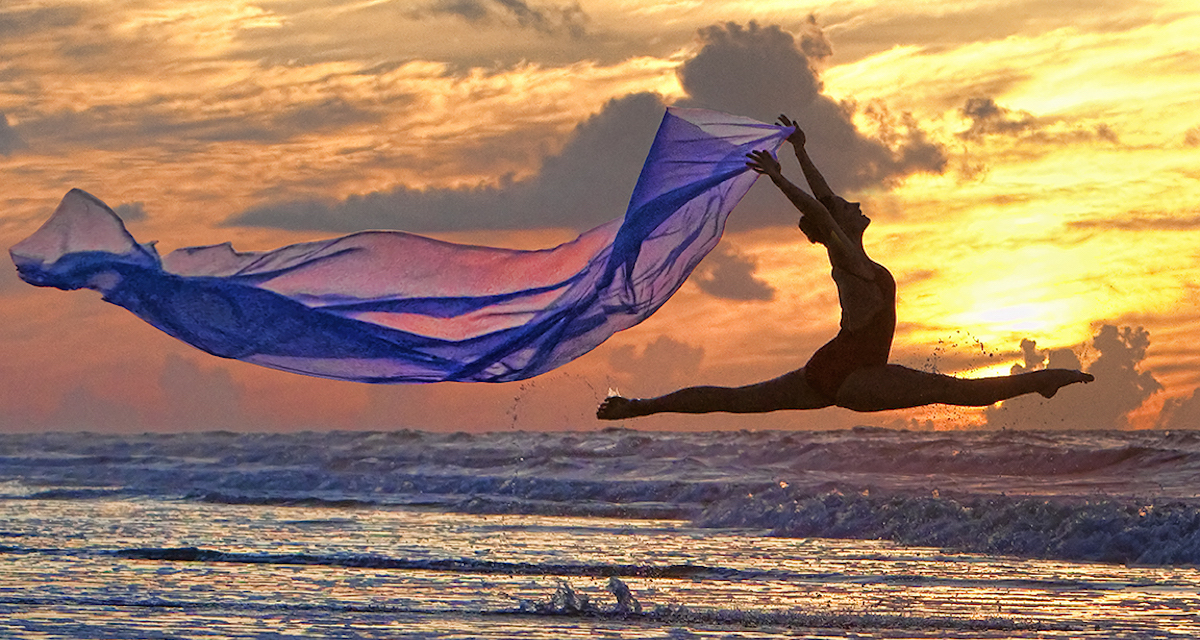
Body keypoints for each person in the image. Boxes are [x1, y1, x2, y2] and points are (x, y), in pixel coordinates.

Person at [597, 115, 1093, 420]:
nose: (853, 203)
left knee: (735, 399)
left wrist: (801, 151)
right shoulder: (849, 258)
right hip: (856, 375)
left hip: (828, 368)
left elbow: (823, 199)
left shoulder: (852, 251)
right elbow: (820, 212)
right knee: (953, 390)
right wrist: (777, 178)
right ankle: (1040, 382)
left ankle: (641, 407)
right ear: (840, 226)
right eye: (848, 206)